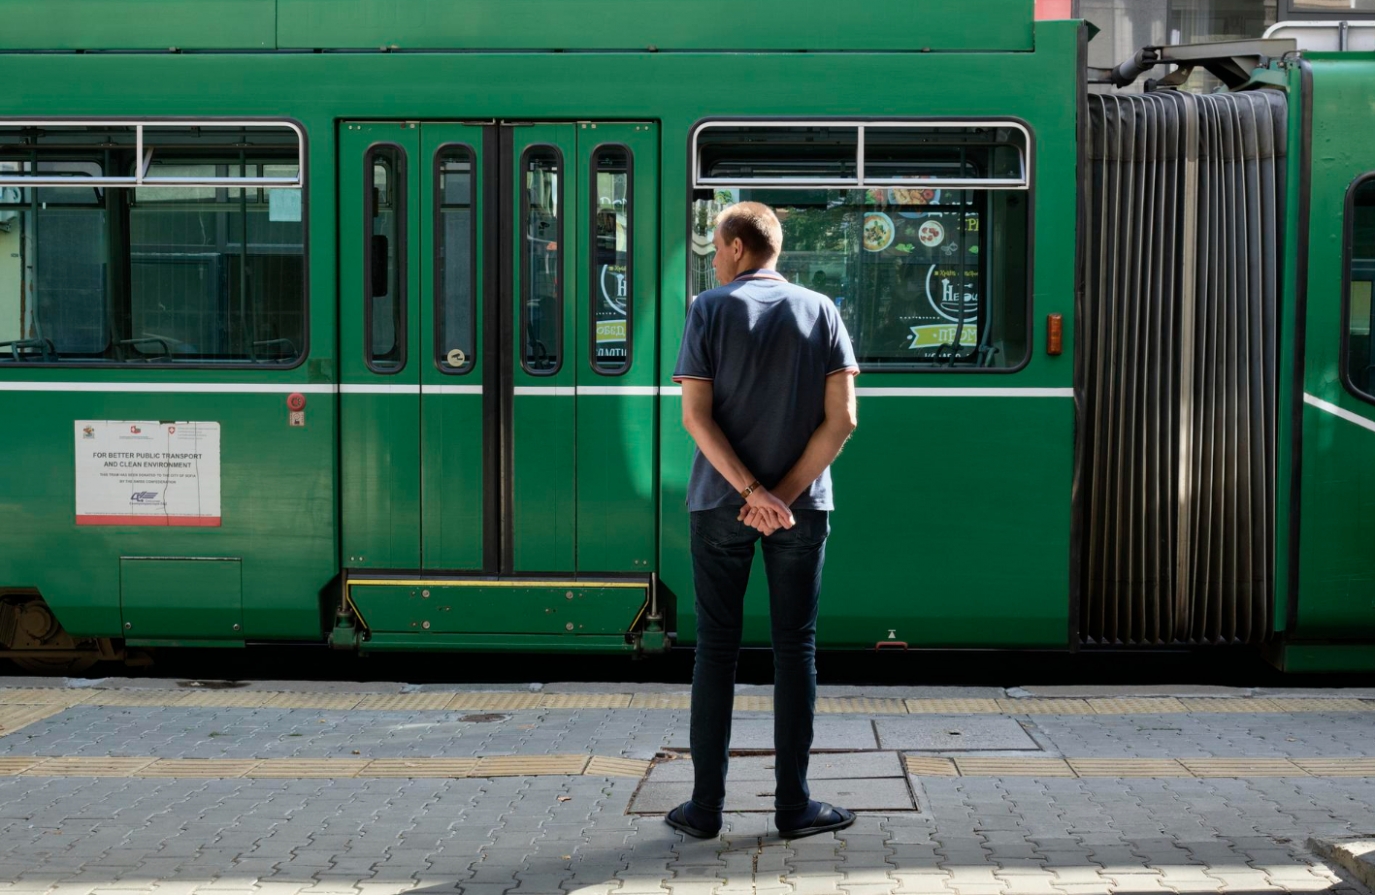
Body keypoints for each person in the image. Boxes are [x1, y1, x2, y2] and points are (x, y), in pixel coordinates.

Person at [668, 201, 860, 839]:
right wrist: (782, 496)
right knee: (794, 650)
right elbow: (844, 420)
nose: (715, 259)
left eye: (717, 248)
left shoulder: (708, 309)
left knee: (716, 651)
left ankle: (704, 811)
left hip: (720, 505)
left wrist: (751, 491)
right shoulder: (822, 311)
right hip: (802, 510)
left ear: (738, 247)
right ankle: (793, 808)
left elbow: (697, 417)